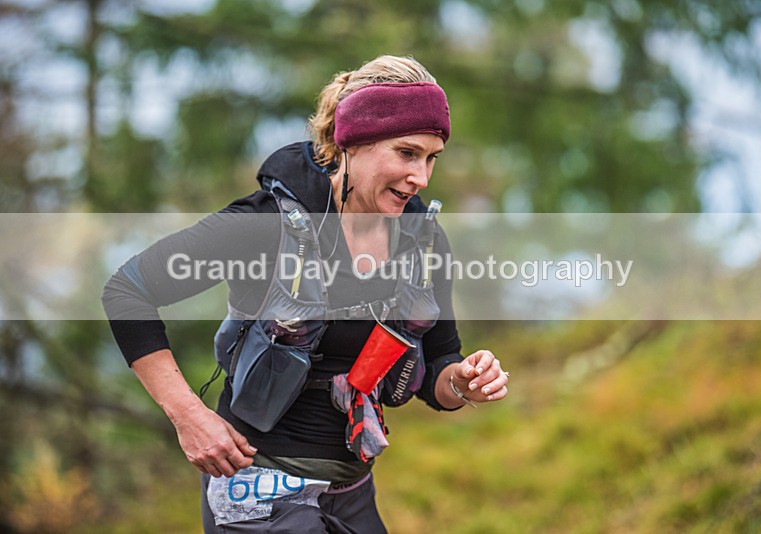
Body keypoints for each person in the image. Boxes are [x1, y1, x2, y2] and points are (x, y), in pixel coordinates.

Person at [103, 55, 509, 533]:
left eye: (431, 158)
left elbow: (436, 367)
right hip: (256, 488)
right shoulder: (267, 225)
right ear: (352, 142)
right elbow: (128, 289)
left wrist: (464, 381)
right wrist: (189, 415)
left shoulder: (421, 241)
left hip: (352, 489)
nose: (421, 177)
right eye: (406, 153)